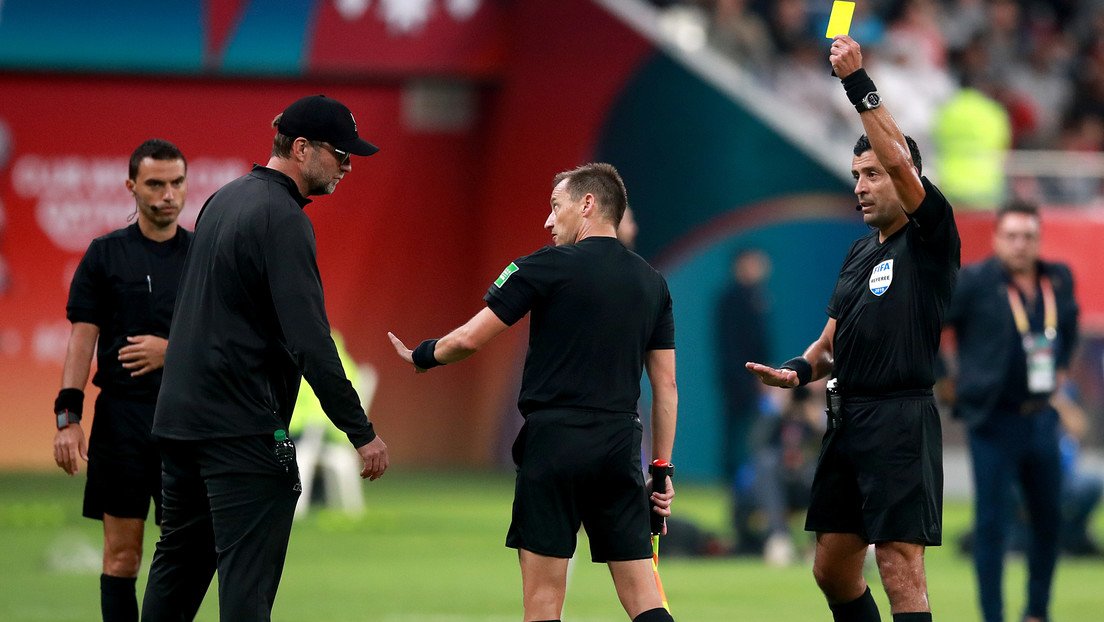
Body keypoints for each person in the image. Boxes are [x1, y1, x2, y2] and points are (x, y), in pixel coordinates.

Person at [388, 162, 678, 622]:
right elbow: (666, 387)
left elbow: (467, 340)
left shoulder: (541, 266)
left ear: (587, 204)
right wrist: (660, 471)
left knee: (544, 600)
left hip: (555, 444)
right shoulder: (653, 283)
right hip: (620, 446)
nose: (548, 221)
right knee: (644, 596)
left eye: (555, 207)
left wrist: (422, 355)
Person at [141, 95, 390, 622]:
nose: (348, 165)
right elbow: (310, 340)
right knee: (247, 594)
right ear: (301, 149)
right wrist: (360, 431)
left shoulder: (223, 199)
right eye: (340, 153)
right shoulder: (283, 217)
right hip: (240, 432)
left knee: (174, 582)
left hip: (182, 426)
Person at [746, 35, 960, 622]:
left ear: (905, 178)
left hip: (899, 419)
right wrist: (796, 370)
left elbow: (898, 157)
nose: (861, 185)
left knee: (897, 564)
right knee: (833, 569)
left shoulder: (931, 239)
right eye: (855, 175)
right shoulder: (858, 254)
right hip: (847, 421)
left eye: (872, 173)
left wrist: (857, 82)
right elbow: (827, 346)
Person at [51, 139, 191, 621]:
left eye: (176, 183)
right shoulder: (103, 255)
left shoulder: (204, 257)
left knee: (183, 560)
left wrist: (169, 351)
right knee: (122, 557)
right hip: (122, 423)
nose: (167, 194)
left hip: (186, 423)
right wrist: (67, 418)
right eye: (155, 184)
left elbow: (228, 338)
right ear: (132, 187)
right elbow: (80, 340)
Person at [943, 198, 1079, 622]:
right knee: (992, 526)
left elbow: (1069, 328)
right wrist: (945, 381)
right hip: (992, 420)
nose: (1021, 244)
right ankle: (993, 616)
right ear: (997, 238)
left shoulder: (1057, 279)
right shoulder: (975, 282)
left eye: (1029, 236)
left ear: (1039, 239)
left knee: (1049, 520)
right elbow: (932, 327)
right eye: (1012, 236)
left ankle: (1037, 611)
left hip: (1040, 416)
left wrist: (1059, 370)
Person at [716, 247, 772, 554]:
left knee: (754, 453)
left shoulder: (757, 297)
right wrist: (750, 386)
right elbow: (731, 352)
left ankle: (753, 517)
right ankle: (740, 519)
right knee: (739, 454)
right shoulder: (730, 300)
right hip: (740, 392)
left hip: (753, 389)